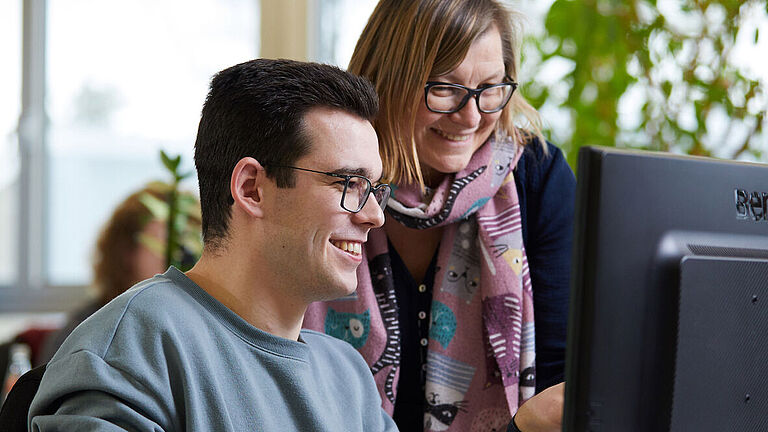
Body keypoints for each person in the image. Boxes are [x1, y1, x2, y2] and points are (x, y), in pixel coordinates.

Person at [29, 58, 398, 431]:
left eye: (374, 190)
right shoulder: (135, 350)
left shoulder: (349, 379)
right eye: (346, 183)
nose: (374, 215)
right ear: (252, 188)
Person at [303, 1, 575, 431]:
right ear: (389, 79)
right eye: (445, 88)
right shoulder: (325, 178)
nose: (471, 115)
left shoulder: (537, 179)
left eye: (490, 87)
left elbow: (559, 381)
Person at [37, 182, 191, 366]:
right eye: (165, 241)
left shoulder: (191, 325)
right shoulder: (83, 335)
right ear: (127, 251)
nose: (181, 255)